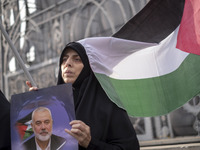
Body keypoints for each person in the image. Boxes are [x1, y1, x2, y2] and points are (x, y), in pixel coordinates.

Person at [27, 42, 140, 150]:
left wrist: (90, 143)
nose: (67, 64)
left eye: (77, 59)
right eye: (64, 59)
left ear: (88, 66)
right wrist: (31, 107)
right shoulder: (52, 104)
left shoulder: (108, 103)